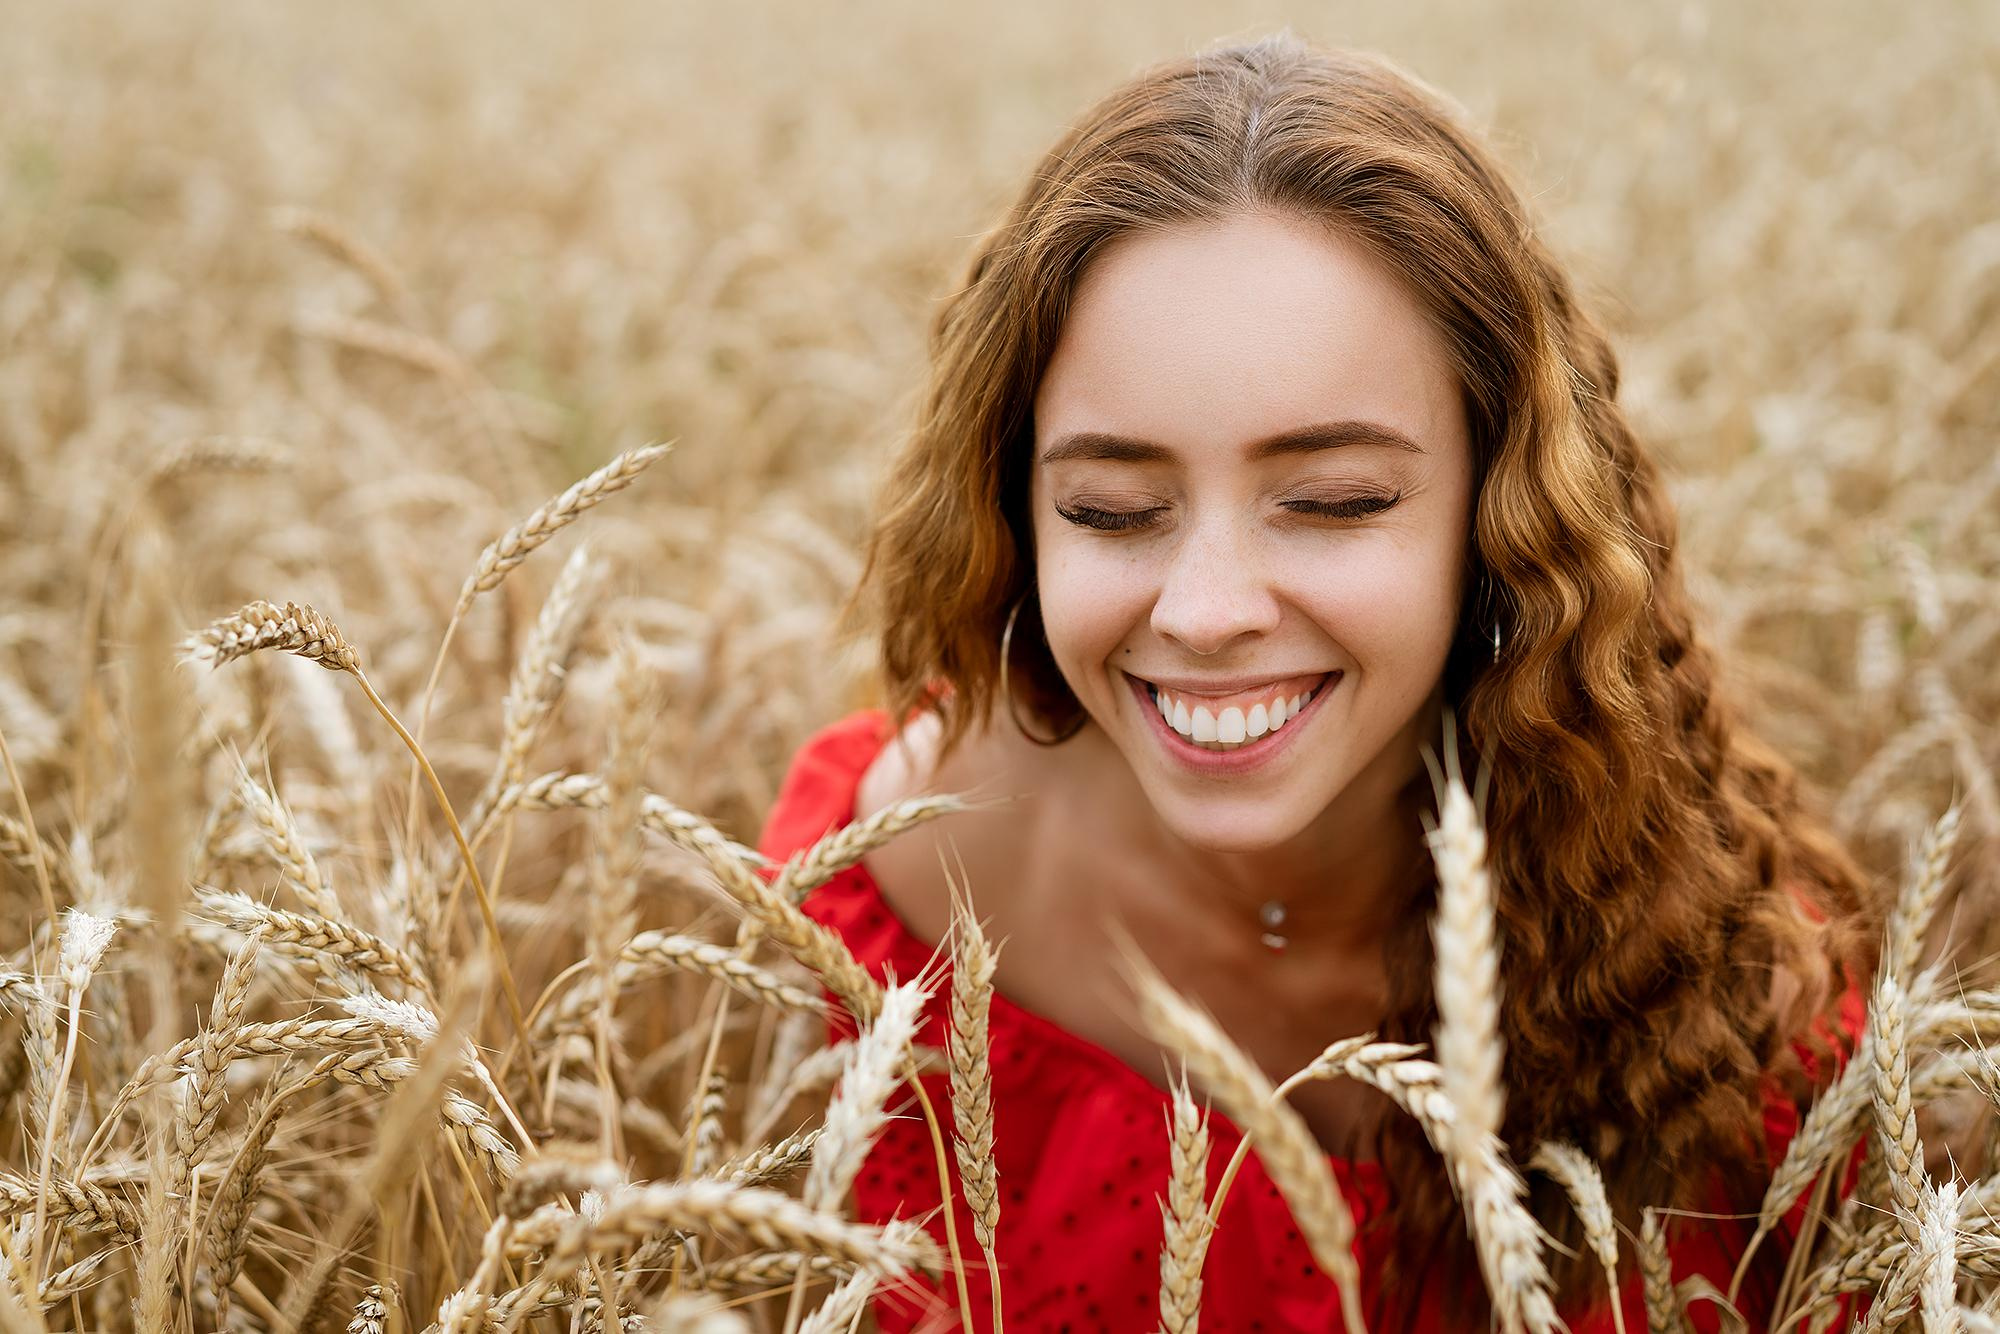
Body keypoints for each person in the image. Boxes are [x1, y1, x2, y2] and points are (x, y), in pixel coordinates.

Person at [757, 30, 1879, 1333]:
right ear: (1017, 510)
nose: (1209, 610)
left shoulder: (1733, 1021)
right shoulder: (873, 914)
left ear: (1499, 516)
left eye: (1335, 501)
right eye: (1114, 509)